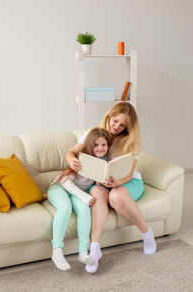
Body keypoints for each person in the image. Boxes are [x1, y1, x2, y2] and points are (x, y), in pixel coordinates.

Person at [66, 102, 157, 273]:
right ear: (109, 116)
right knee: (97, 194)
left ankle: (147, 234)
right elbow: (71, 152)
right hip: (101, 182)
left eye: (123, 125)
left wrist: (118, 183)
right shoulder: (94, 134)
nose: (117, 127)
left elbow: (129, 174)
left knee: (116, 197)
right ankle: (94, 248)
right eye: (115, 121)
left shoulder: (131, 142)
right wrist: (71, 159)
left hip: (127, 182)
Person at [47, 127, 111, 271]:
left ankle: (83, 252)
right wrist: (84, 196)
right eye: (96, 145)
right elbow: (65, 181)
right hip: (59, 187)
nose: (100, 148)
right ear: (90, 145)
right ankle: (57, 251)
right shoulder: (81, 159)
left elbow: (96, 182)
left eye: (104, 145)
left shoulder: (104, 164)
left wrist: (102, 182)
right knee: (65, 207)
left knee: (84, 210)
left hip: (76, 193)